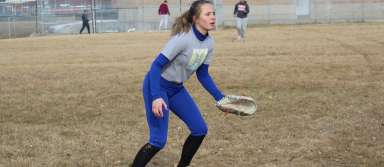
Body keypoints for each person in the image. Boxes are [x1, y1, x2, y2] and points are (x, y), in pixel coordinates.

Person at [131, 0, 225, 166]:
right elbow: (156, 66)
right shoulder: (183, 38)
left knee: (200, 129)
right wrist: (156, 96)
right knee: (158, 141)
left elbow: (202, 74)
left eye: (214, 14)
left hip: (176, 89)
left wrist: (220, 98)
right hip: (157, 86)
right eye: (208, 14)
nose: (212, 17)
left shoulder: (210, 43)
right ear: (196, 18)